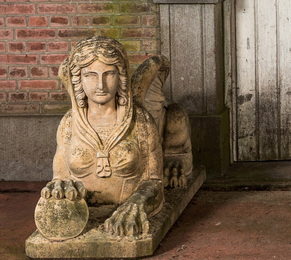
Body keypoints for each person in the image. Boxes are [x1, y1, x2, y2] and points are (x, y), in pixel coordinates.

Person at [40, 36, 191, 237]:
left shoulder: (140, 120)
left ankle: (175, 153)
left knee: (176, 117)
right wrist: (58, 187)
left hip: (134, 195)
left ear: (121, 76)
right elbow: (59, 177)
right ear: (79, 79)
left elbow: (154, 182)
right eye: (90, 75)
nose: (100, 85)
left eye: (109, 74)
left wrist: (137, 203)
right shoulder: (70, 123)